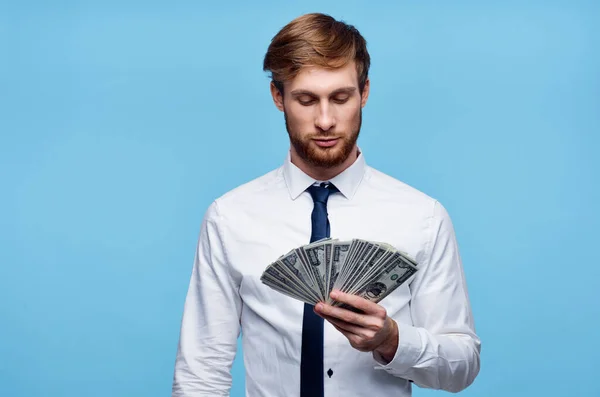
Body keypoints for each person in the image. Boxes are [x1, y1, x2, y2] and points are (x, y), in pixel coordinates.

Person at [171, 12, 481, 397]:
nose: (325, 120)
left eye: (340, 97)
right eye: (306, 99)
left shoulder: (422, 217)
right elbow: (201, 371)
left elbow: (462, 366)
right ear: (278, 97)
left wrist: (392, 340)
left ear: (364, 92)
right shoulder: (230, 217)